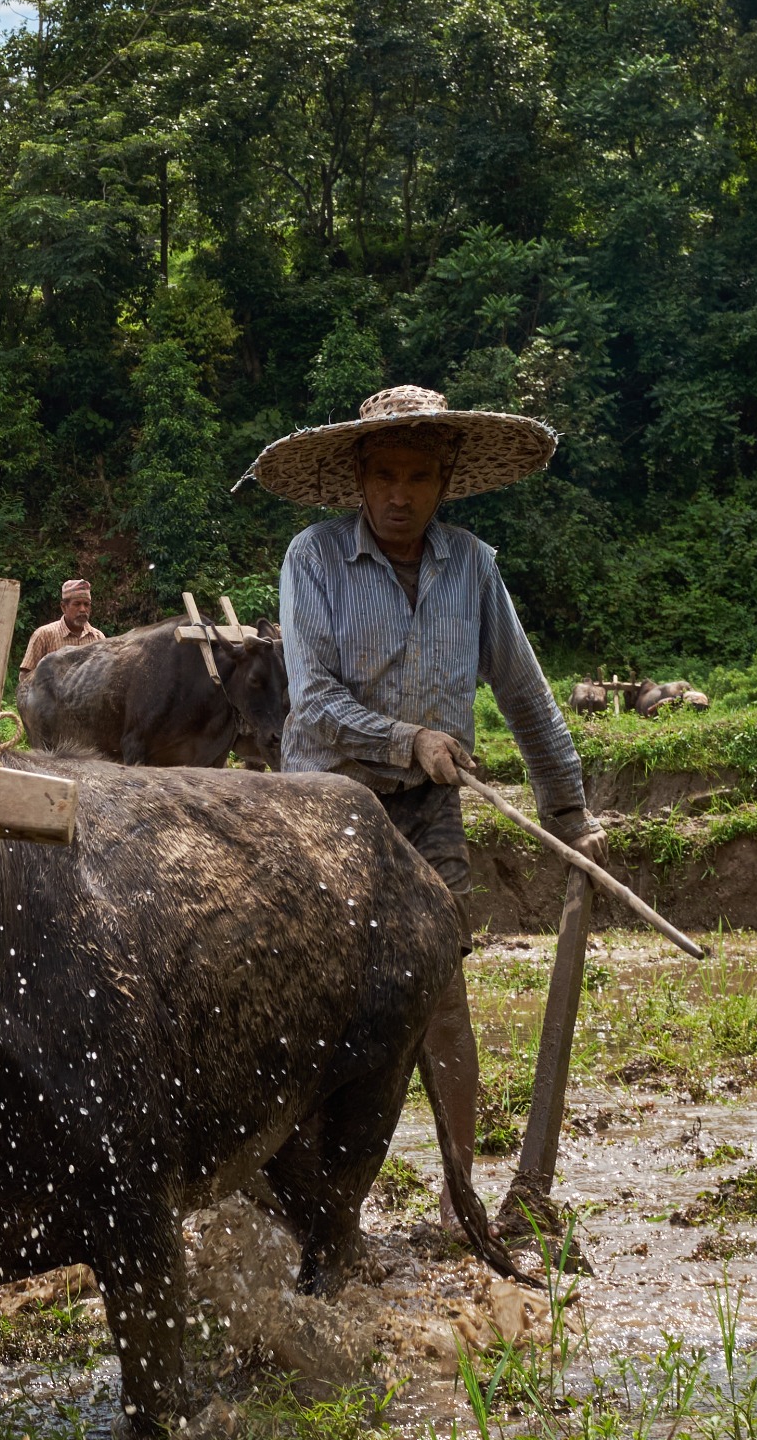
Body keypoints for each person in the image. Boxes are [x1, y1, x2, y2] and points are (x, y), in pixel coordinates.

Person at [243, 383, 603, 1246]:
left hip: (431, 812)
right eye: (385, 475)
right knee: (318, 1005)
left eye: (418, 476)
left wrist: (570, 809)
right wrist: (409, 738)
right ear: (358, 479)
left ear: (445, 481)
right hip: (327, 805)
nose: (400, 495)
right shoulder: (315, 559)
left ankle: (458, 1201)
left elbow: (523, 692)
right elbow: (316, 701)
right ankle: (313, 1211)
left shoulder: (472, 566)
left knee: (442, 1003)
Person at [19, 578, 105, 689]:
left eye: (86, 604)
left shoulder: (98, 638)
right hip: (51, 704)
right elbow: (25, 676)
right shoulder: (44, 635)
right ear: (63, 607)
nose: (83, 609)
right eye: (77, 604)